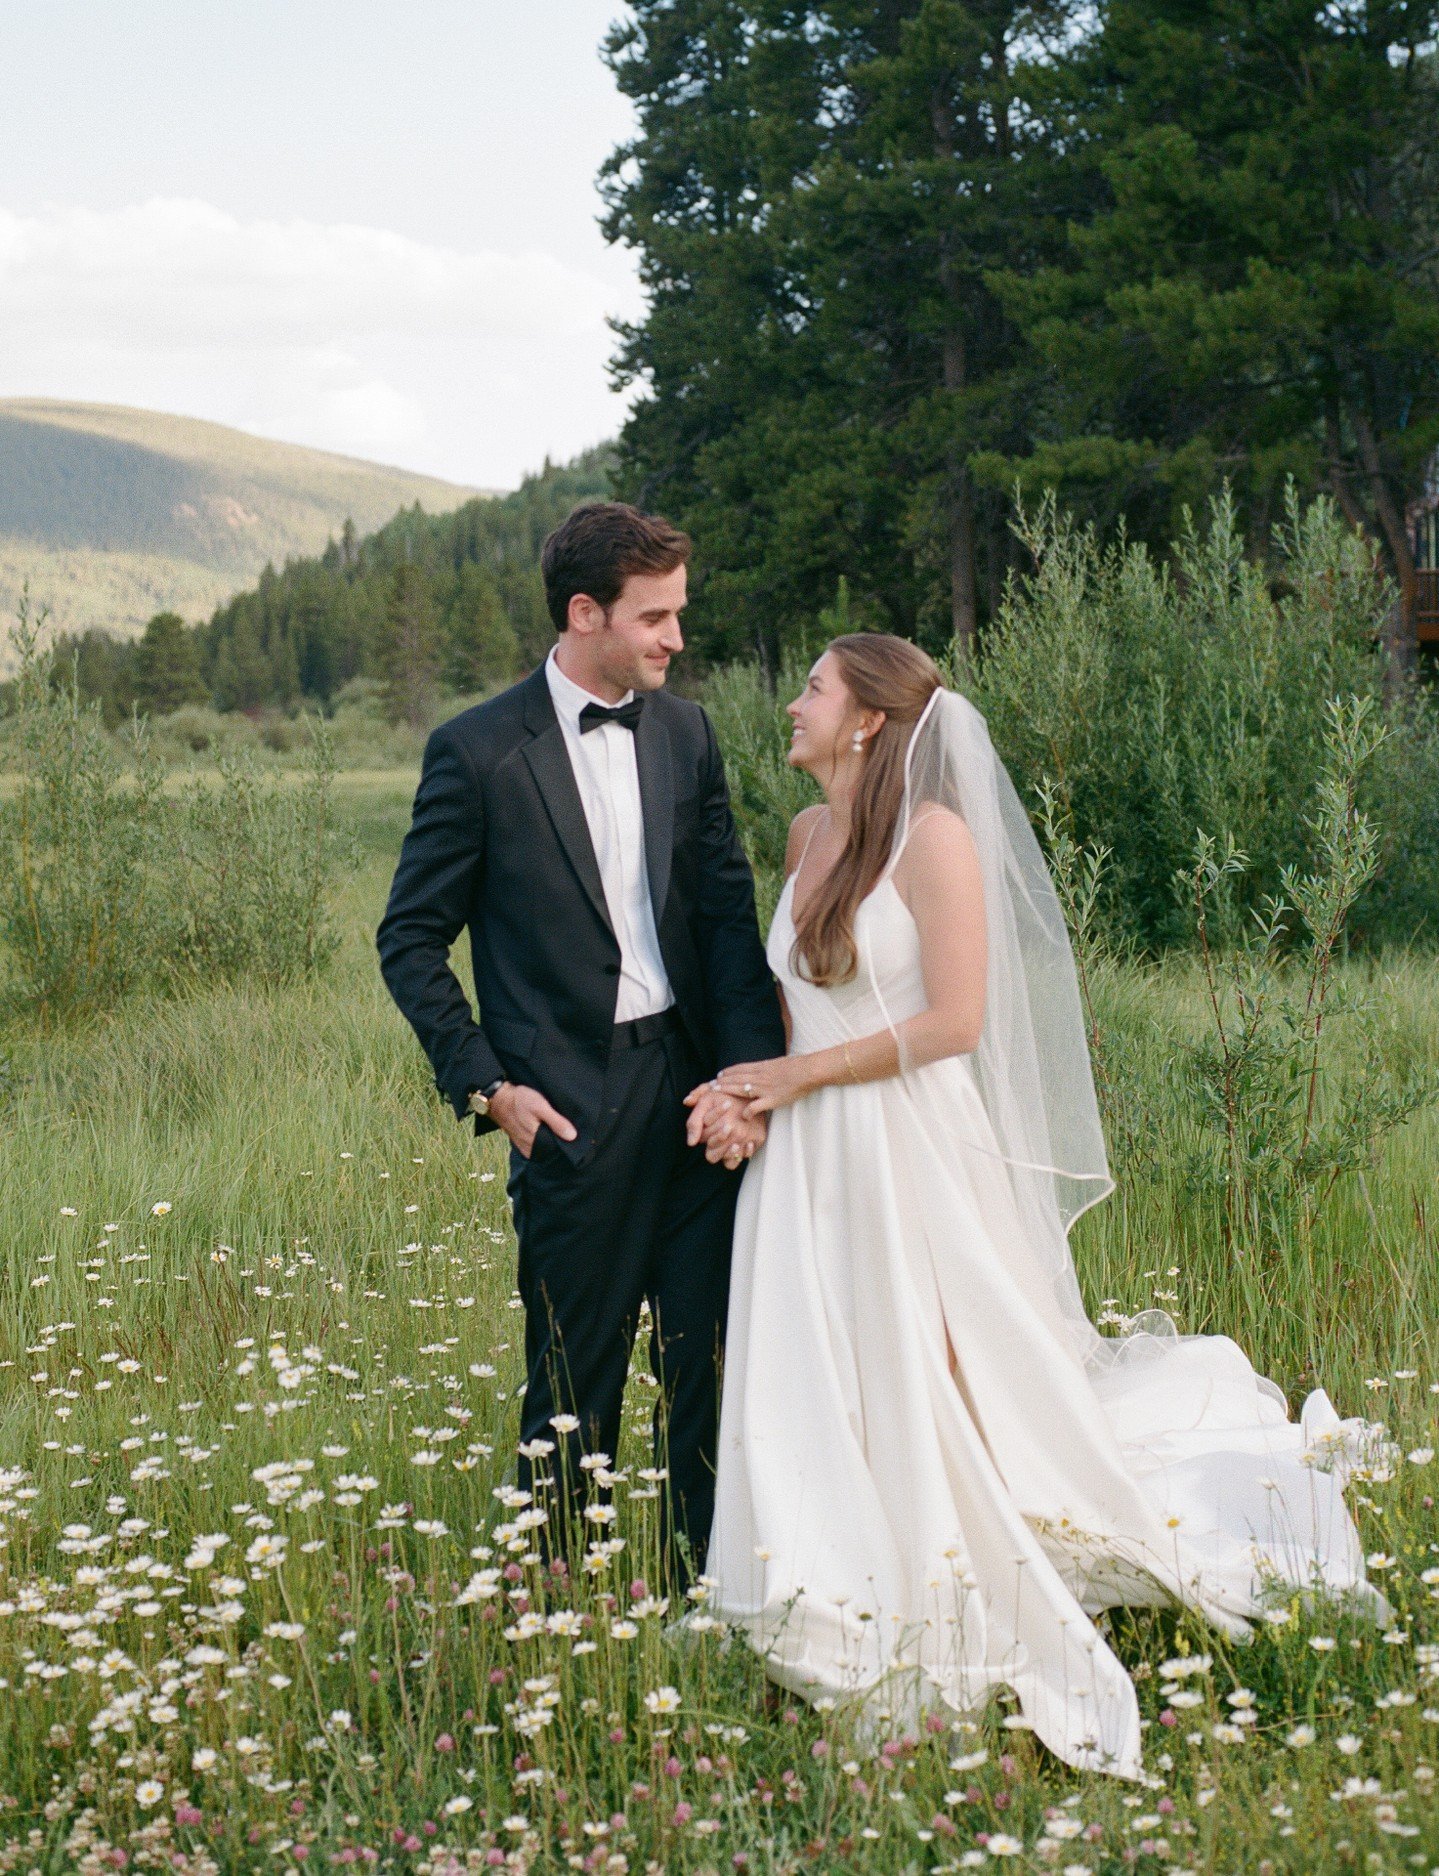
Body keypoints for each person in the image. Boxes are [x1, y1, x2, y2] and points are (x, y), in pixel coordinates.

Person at [696, 632, 1394, 1779]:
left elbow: (951, 1025)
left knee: (936, 1367)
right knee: (819, 1363)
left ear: (867, 718)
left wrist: (798, 1079)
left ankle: (947, 1554)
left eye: (811, 688)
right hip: (808, 1154)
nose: (790, 703)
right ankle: (814, 1554)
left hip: (905, 1142)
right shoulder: (806, 835)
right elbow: (794, 1010)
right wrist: (746, 1096)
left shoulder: (935, 840)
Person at [376, 501, 782, 1587]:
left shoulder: (688, 736)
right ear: (584, 612)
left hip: (697, 1097)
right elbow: (409, 939)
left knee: (709, 1362)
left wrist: (745, 1087)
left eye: (677, 614)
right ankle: (556, 1618)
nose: (674, 640)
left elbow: (727, 928)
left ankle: (709, 1592)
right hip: (564, 1109)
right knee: (570, 1379)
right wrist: (488, 1088)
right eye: (654, 618)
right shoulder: (475, 751)